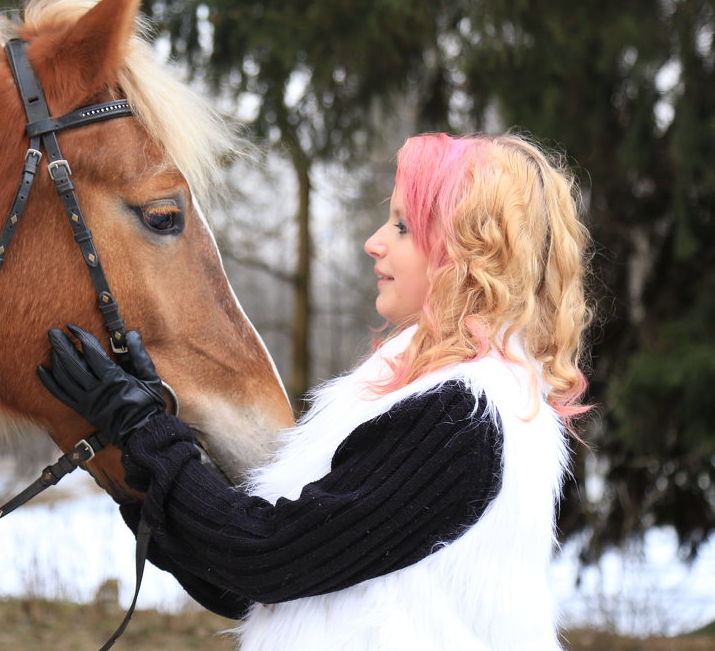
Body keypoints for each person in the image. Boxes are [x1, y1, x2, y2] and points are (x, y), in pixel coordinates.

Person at [38, 132, 593, 650]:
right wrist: (133, 461)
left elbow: (267, 558)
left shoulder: (464, 419)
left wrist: (144, 432)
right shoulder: (427, 402)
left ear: (465, 252)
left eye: (403, 226)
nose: (374, 242)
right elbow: (246, 587)